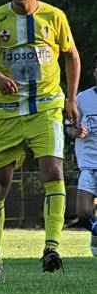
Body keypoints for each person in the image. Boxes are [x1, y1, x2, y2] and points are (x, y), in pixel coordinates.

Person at [0, 0, 80, 280]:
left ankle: (52, 246)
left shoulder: (54, 17)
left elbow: (72, 55)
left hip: (46, 107)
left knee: (53, 169)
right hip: (7, 113)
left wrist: (72, 98)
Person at [67, 53, 97, 256]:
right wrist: (75, 131)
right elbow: (69, 127)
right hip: (87, 164)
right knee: (83, 213)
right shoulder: (82, 98)